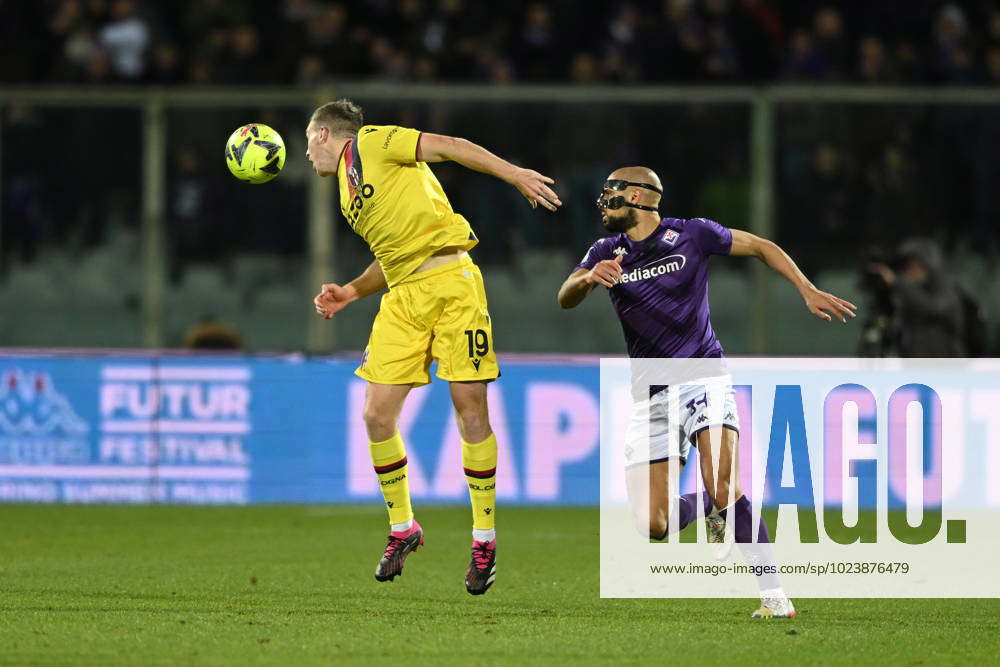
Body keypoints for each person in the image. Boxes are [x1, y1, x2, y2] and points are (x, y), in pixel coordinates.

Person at [557, 167, 856, 618]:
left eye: (611, 193)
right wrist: (586, 278)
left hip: (703, 378)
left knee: (723, 484)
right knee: (651, 524)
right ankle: (712, 512)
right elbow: (565, 296)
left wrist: (806, 289)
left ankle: (775, 596)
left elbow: (760, 246)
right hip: (651, 394)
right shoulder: (605, 251)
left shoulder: (693, 234)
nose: (603, 202)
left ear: (637, 195)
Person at [309, 99, 561, 595]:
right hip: (403, 297)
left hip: (452, 284)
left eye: (307, 145)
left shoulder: (372, 141)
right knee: (377, 415)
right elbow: (395, 254)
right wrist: (351, 292)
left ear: (322, 135)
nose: (306, 158)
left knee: (470, 410)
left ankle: (484, 538)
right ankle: (403, 526)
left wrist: (514, 175)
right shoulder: (346, 190)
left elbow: (451, 147)